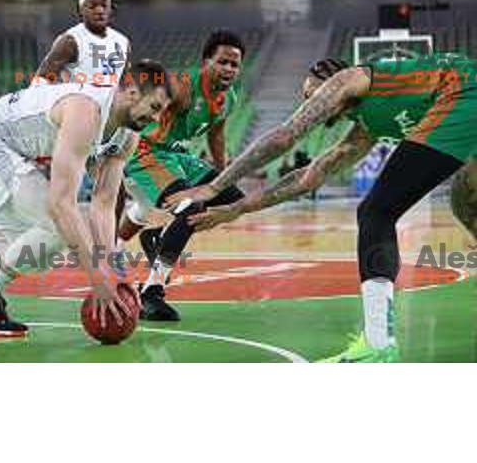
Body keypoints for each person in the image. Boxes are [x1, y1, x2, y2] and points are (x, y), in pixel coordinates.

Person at [167, 54, 477, 362]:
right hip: (463, 100)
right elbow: (309, 176)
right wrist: (237, 208)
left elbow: (284, 137)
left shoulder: (350, 79)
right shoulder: (365, 126)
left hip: (462, 91)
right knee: (465, 198)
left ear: (329, 84)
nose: (307, 103)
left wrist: (215, 186)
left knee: (376, 212)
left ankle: (379, 344)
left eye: (311, 94)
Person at [0, 61, 173, 338]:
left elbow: (103, 205)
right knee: (56, 228)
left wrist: (107, 269)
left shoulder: (126, 137)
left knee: (35, 252)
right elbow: (61, 205)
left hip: (10, 152)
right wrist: (97, 279)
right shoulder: (86, 112)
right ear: (131, 93)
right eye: (154, 107)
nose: (155, 119)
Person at [119, 30, 246, 321]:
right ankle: (151, 293)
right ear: (206, 62)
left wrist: (222, 173)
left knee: (232, 197)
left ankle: (156, 236)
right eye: (222, 62)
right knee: (192, 209)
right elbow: (146, 95)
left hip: (177, 157)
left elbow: (216, 135)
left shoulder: (230, 98)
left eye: (234, 65)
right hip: (146, 152)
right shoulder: (184, 84)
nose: (228, 69)